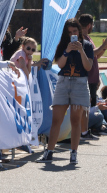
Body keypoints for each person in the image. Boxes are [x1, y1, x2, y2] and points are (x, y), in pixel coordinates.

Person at [37, 19, 93, 165]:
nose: (72, 35)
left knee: (75, 120)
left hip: (80, 83)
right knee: (57, 119)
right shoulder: (63, 45)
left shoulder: (86, 46)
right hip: (63, 82)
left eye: (74, 31)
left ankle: (74, 153)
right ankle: (49, 151)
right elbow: (60, 64)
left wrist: (80, 50)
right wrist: (67, 51)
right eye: (69, 32)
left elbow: (88, 67)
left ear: (79, 31)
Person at [78, 14, 107, 141]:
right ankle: (84, 131)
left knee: (91, 106)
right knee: (87, 107)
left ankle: (88, 129)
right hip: (87, 78)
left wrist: (105, 46)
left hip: (92, 78)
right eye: (92, 25)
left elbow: (96, 56)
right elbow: (91, 53)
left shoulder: (88, 38)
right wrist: (104, 46)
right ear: (89, 25)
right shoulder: (82, 38)